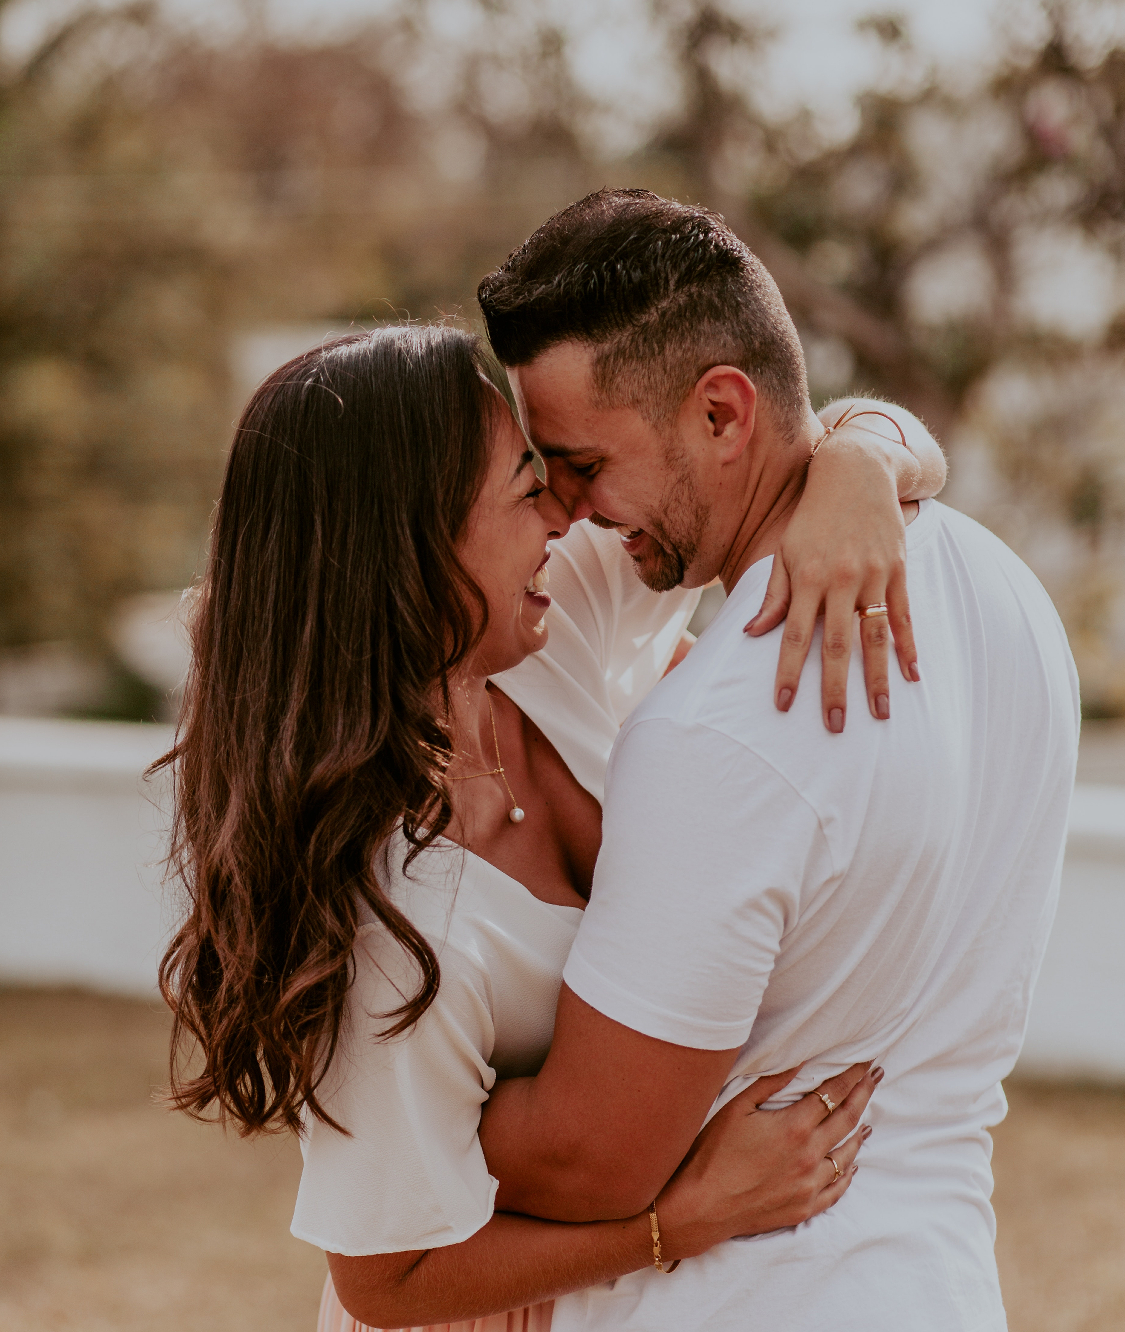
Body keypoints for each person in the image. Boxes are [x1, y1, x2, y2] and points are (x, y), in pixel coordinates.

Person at [157, 322, 946, 1332]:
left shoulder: (549, 620)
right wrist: (680, 1222)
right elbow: (381, 1280)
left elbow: (765, 447)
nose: (567, 514)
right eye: (528, 491)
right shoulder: (392, 928)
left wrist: (858, 464)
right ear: (416, 546)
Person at [461, 187, 1081, 1332]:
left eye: (585, 463)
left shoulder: (722, 728)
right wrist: (865, 444)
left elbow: (592, 1163)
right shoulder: (1000, 586)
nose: (572, 510)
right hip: (938, 1284)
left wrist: (366, 1092)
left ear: (723, 413)